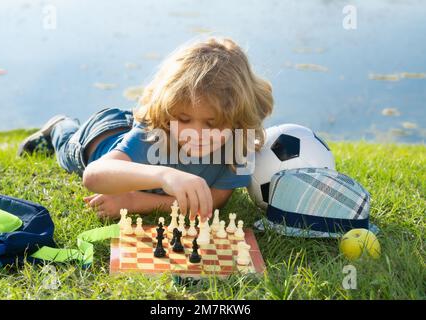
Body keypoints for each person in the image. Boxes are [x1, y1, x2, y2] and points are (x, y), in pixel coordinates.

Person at [18, 37, 274, 221]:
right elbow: (94, 176)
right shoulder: (157, 131)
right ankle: (59, 125)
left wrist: (135, 201)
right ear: (169, 113)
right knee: (65, 147)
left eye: (212, 123)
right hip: (97, 139)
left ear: (238, 119)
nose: (195, 134)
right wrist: (164, 175)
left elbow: (213, 201)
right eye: (184, 119)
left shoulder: (240, 142)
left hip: (134, 128)